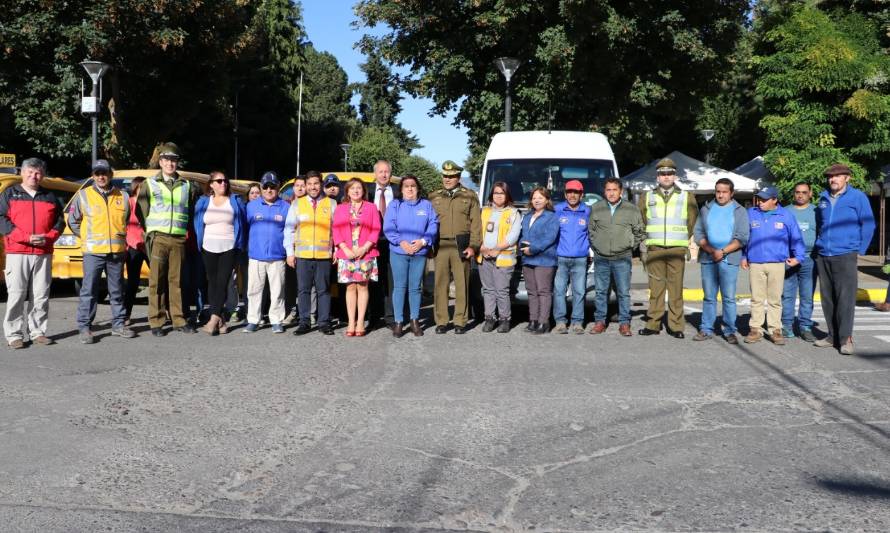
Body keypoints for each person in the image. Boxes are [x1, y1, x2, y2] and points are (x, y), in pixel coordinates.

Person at [67, 159, 136, 343]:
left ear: (110, 174)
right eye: (97, 173)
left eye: (104, 173)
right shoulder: (83, 195)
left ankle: (119, 324)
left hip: (116, 252)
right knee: (89, 290)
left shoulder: (123, 196)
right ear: (93, 176)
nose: (101, 176)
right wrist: (87, 237)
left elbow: (126, 220)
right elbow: (73, 222)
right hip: (93, 252)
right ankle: (85, 327)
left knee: (117, 290)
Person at [136, 142, 200, 336]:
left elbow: (189, 210)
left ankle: (178, 319)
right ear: (161, 162)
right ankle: (156, 321)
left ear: (177, 163)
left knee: (177, 280)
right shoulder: (149, 184)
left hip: (178, 238)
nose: (170, 164)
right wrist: (152, 232)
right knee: (156, 281)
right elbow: (141, 211)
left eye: (174, 160)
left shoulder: (187, 186)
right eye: (167, 160)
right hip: (159, 238)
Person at [0, 158, 64, 349]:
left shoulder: (50, 196)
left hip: (43, 252)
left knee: (41, 294)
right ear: (22, 173)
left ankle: (38, 332)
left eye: (37, 173)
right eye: (30, 172)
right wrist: (26, 237)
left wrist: (49, 237)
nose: (33, 176)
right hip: (17, 251)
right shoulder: (9, 194)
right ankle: (14, 335)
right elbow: (1, 219)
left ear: (42, 175)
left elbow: (60, 222)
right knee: (16, 294)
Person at [813, 163, 876, 355]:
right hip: (824, 255)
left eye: (838, 176)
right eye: (831, 176)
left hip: (845, 254)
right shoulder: (823, 197)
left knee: (845, 299)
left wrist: (860, 250)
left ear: (847, 178)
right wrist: (819, 243)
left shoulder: (858, 197)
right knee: (828, 298)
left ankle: (846, 338)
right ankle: (832, 336)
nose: (833, 179)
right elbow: (819, 224)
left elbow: (868, 224)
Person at [638, 158, 699, 338]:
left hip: (676, 249)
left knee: (675, 289)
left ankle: (676, 326)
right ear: (657, 177)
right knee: (655, 290)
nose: (666, 176)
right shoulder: (646, 197)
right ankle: (653, 324)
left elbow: (691, 221)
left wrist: (681, 238)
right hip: (655, 248)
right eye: (662, 173)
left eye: (669, 173)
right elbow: (641, 221)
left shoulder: (687, 196)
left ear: (675, 176)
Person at [741, 187, 805, 345]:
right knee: (756, 298)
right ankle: (755, 329)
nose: (760, 202)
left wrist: (798, 256)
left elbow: (796, 236)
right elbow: (745, 237)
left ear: (774, 200)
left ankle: (775, 329)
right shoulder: (751, 213)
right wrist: (744, 256)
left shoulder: (786, 215)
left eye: (764, 199)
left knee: (774, 299)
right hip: (755, 262)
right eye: (759, 199)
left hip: (777, 263)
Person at [692, 177, 749, 344]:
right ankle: (706, 328)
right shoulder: (706, 209)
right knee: (709, 297)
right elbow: (698, 234)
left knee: (729, 297)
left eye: (725, 192)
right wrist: (711, 250)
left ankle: (730, 330)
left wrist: (723, 251)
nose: (721, 195)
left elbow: (743, 237)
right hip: (708, 259)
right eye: (718, 191)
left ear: (731, 193)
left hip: (729, 259)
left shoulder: (739, 211)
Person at [587, 178, 645, 336]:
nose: (611, 193)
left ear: (621, 191)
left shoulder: (631, 209)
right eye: (608, 190)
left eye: (614, 190)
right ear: (604, 192)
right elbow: (590, 231)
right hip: (601, 257)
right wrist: (597, 247)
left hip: (622, 257)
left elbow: (639, 232)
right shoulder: (596, 208)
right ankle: (600, 322)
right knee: (601, 291)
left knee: (623, 292)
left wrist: (629, 246)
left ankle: (624, 323)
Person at [429, 160, 482, 334]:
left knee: (462, 284)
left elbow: (476, 224)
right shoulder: (433, 197)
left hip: (462, 245)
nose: (448, 179)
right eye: (445, 176)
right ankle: (442, 320)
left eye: (451, 176)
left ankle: (460, 320)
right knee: (440, 284)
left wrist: (474, 246)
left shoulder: (470, 196)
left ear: (458, 177)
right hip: (440, 245)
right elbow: (428, 223)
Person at [384, 175, 439, 337]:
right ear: (400, 189)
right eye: (406, 186)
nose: (409, 189)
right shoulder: (395, 205)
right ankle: (399, 321)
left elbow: (433, 224)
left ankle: (415, 320)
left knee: (415, 288)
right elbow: (389, 226)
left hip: (419, 252)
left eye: (413, 186)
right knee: (399, 287)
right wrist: (401, 242)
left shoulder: (426, 205)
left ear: (418, 188)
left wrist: (423, 241)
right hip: (399, 252)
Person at [284, 170, 336, 335]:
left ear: (321, 185)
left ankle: (324, 322)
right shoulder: (297, 204)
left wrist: (336, 250)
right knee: (303, 290)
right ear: (305, 186)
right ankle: (304, 322)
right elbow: (289, 230)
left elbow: (337, 230)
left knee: (324, 290)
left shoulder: (331, 204)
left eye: (316, 183)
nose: (313, 187)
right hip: (303, 256)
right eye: (310, 184)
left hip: (324, 256)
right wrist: (289, 253)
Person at [194, 171, 246, 335]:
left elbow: (243, 223)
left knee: (223, 282)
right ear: (211, 184)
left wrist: (241, 245)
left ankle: (213, 320)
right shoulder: (203, 202)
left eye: (225, 180)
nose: (223, 183)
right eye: (219, 181)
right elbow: (197, 222)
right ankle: (221, 321)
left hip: (229, 247)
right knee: (213, 283)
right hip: (208, 246)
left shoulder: (235, 201)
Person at [332, 178, 381, 336]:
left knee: (363, 287)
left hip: (365, 253)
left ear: (363, 190)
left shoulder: (372, 208)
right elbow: (336, 230)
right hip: (346, 253)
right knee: (350, 287)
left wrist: (365, 248)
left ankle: (361, 322)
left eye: (359, 188)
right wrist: (345, 249)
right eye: (352, 188)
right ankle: (351, 322)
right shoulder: (340, 208)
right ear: (347, 191)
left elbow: (376, 229)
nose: (355, 191)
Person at [242, 172, 290, 333]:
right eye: (266, 186)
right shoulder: (251, 206)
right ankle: (253, 320)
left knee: (278, 291)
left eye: (273, 186)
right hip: (256, 255)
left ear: (278, 187)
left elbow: (290, 231)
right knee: (254, 290)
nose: (269, 190)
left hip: (278, 256)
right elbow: (245, 229)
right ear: (261, 188)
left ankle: (276, 320)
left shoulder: (286, 207)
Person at [477, 181, 520, 333]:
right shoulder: (484, 211)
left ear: (507, 195)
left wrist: (497, 249)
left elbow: (513, 236)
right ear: (492, 195)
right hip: (484, 255)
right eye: (496, 193)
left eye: (502, 193)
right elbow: (476, 231)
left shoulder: (513, 213)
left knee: (501, 290)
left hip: (503, 257)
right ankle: (489, 318)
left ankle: (504, 319)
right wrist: (481, 246)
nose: (498, 196)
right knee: (488, 290)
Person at [552, 179, 592, 334]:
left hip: (580, 259)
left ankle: (577, 322)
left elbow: (591, 234)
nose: (572, 195)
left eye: (576, 192)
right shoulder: (557, 210)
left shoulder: (588, 211)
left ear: (581, 195)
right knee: (559, 291)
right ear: (565, 194)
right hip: (561, 258)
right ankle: (560, 322)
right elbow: (552, 234)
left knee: (579, 291)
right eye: (569, 192)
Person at [519, 187, 560, 335]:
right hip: (527, 259)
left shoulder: (552, 217)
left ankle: (544, 322)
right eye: (534, 197)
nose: (536, 200)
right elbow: (522, 235)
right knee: (532, 292)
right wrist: (522, 247)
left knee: (543, 292)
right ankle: (533, 320)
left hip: (545, 259)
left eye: (540, 198)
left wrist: (533, 249)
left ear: (547, 200)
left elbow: (549, 238)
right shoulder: (528, 216)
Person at [781, 182, 818, 341]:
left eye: (804, 192)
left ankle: (805, 327)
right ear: (794, 194)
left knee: (807, 295)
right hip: (789, 259)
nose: (800, 195)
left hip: (810, 259)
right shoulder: (785, 211)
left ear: (810, 193)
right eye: (797, 192)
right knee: (787, 295)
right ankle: (787, 326)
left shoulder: (817, 211)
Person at [369, 160, 400, 329]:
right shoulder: (367, 191)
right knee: (373, 280)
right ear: (375, 174)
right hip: (372, 243)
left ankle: (390, 317)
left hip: (393, 242)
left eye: (386, 171)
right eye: (380, 171)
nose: (383, 174)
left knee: (391, 280)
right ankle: (373, 317)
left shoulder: (398, 192)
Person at [124, 176, 147, 325]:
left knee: (160, 280)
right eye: (142, 188)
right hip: (133, 246)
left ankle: (165, 311)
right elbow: (123, 223)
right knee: (133, 282)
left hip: (149, 245)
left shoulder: (150, 203)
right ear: (135, 188)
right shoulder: (129, 202)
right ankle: (126, 315)